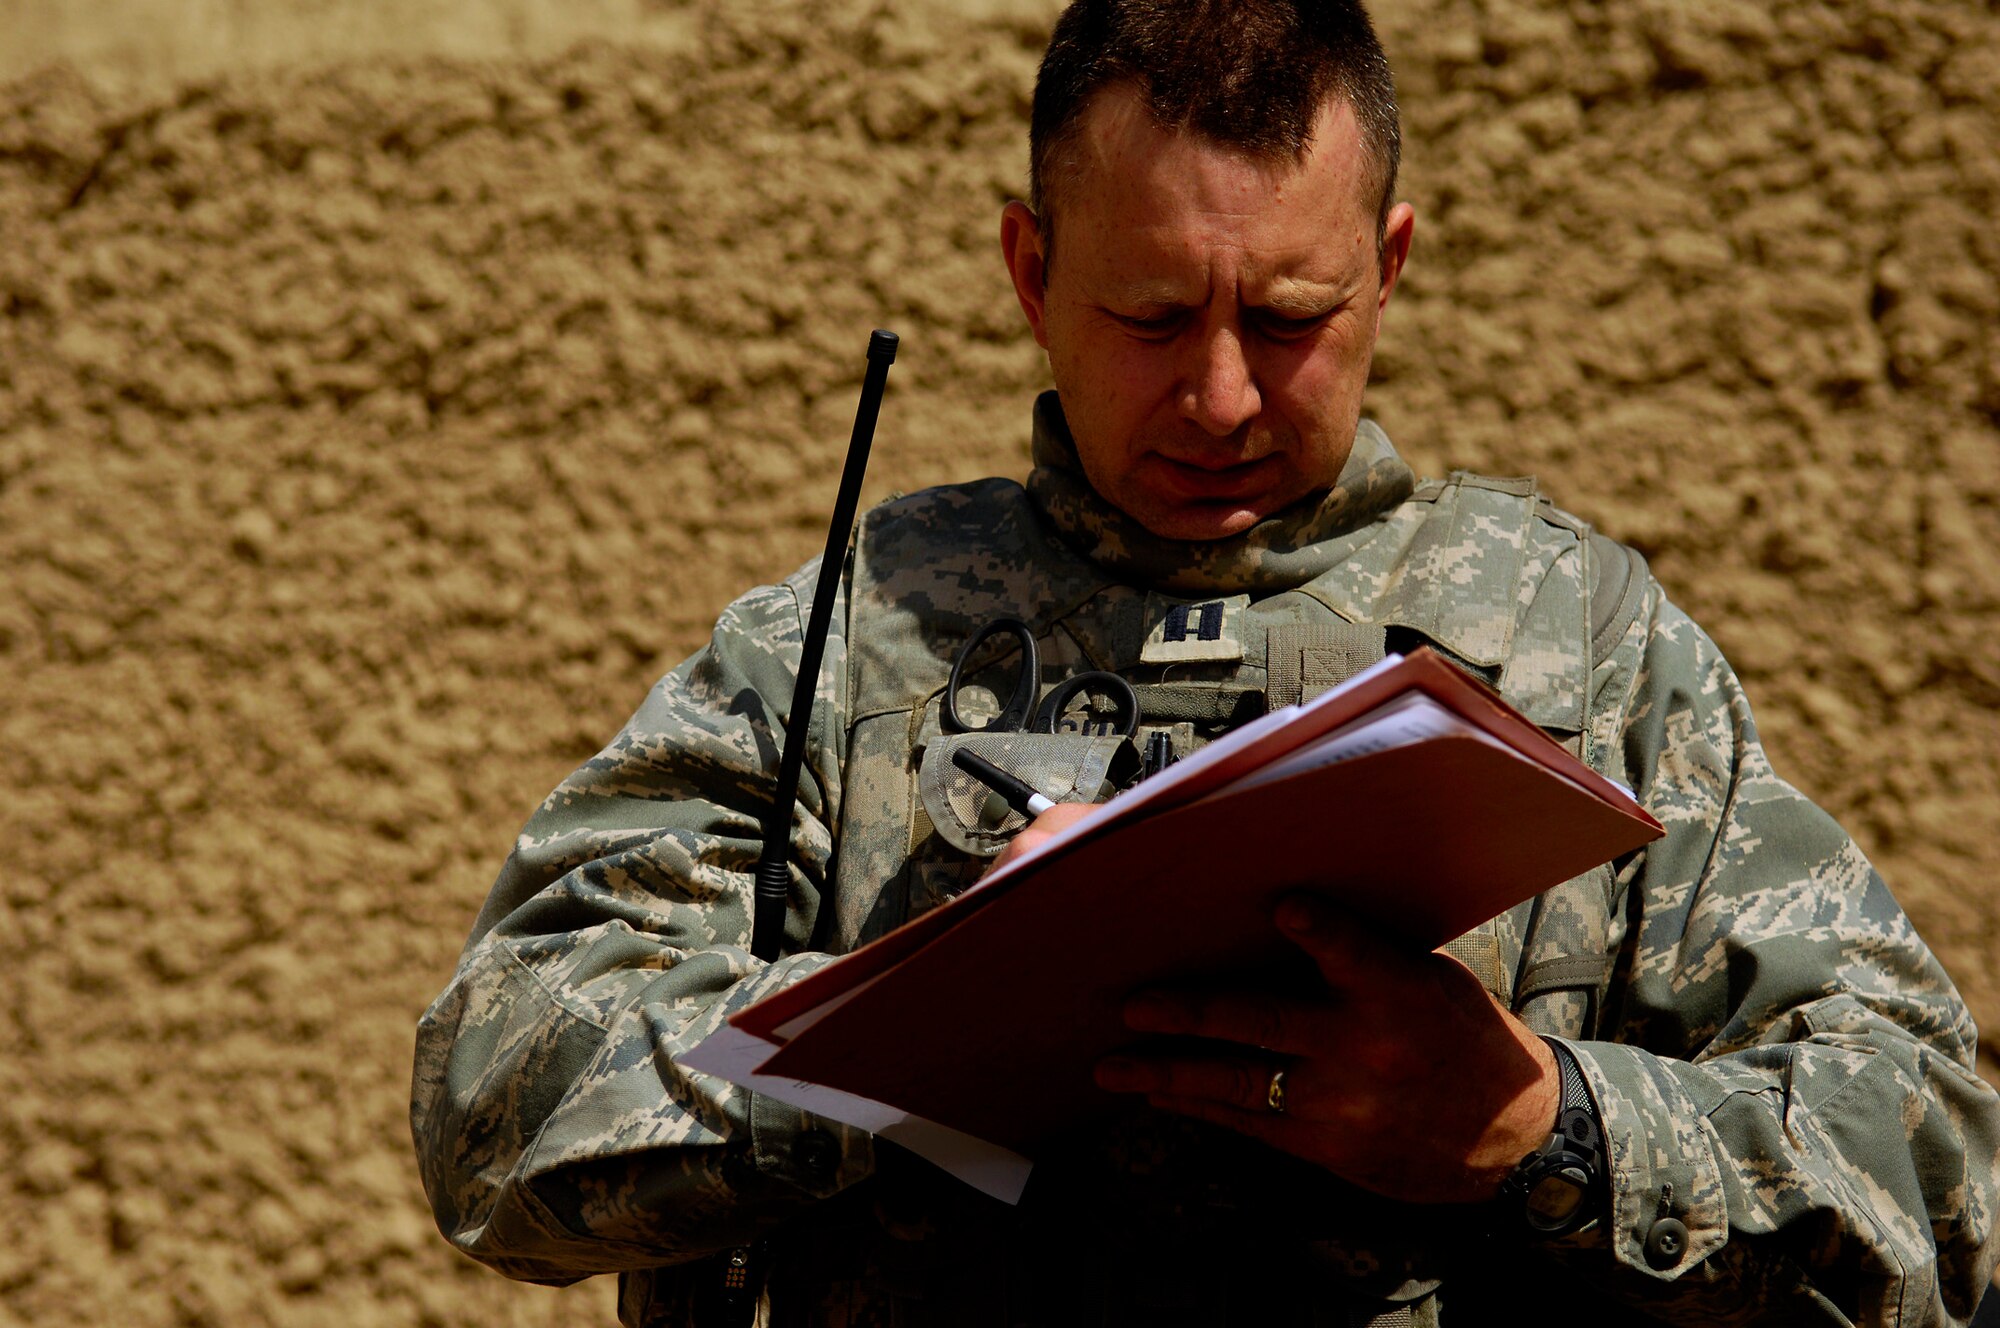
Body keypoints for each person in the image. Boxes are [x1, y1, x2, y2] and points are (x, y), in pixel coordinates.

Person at [410, 1, 2000, 1323]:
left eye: (1292, 313)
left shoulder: (1582, 645)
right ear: (1032, 275)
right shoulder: (838, 653)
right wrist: (902, 1028)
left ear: (1390, 266)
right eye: (1155, 316)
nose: (1225, 398)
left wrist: (1539, 1126)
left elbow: (1940, 1180)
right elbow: (491, 1107)